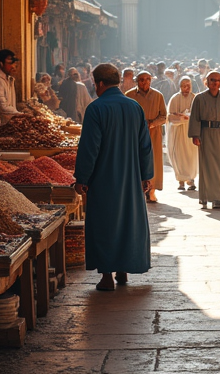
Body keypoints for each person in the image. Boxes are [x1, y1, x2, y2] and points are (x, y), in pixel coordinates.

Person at [72, 64, 154, 292]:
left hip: (104, 177)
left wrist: (82, 178)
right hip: (131, 176)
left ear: (99, 83)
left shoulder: (96, 109)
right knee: (128, 221)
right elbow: (145, 146)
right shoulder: (134, 107)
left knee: (104, 223)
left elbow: (89, 148)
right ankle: (123, 271)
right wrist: (146, 175)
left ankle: (106, 276)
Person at [187, 70, 220, 209]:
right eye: (212, 80)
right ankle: (204, 196)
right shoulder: (199, 98)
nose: (215, 83)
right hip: (206, 134)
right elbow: (195, 118)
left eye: (218, 80)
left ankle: (217, 197)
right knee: (206, 165)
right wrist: (195, 135)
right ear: (207, 82)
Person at [126, 71, 167, 203]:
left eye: (147, 79)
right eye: (141, 79)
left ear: (151, 81)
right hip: (135, 133)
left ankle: (152, 190)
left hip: (153, 133)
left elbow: (163, 117)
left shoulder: (158, 96)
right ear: (136, 81)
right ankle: (137, 190)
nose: (144, 82)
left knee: (154, 160)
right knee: (136, 160)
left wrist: (152, 123)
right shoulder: (129, 95)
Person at [166, 75, 198, 190]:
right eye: (184, 86)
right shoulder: (175, 98)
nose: (186, 88)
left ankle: (191, 180)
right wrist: (180, 118)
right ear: (180, 86)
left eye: (188, 85)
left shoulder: (195, 98)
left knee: (191, 156)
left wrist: (189, 117)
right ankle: (181, 181)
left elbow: (199, 115)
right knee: (179, 156)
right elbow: (170, 116)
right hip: (178, 132)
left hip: (191, 131)